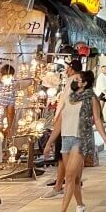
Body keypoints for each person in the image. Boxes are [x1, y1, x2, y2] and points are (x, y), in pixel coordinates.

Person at [43, 70, 106, 212]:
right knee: (74, 178)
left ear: (85, 83)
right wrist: (49, 142)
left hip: (81, 139)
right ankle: (80, 205)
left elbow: (97, 119)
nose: (74, 81)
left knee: (69, 175)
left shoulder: (90, 98)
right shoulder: (68, 97)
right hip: (66, 138)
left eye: (77, 79)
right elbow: (60, 121)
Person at [44, 59, 82, 198]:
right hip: (71, 125)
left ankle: (60, 185)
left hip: (67, 124)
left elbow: (65, 104)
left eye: (68, 68)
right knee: (67, 156)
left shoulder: (73, 81)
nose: (66, 70)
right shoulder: (76, 81)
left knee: (63, 155)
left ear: (71, 68)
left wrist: (58, 118)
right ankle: (65, 184)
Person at [0, 64, 17, 137]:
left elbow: (10, 111)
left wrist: (9, 127)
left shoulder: (10, 89)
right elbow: (10, 111)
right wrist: (9, 127)